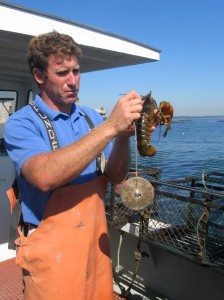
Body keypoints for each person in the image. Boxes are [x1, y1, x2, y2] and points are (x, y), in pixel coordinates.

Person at [4, 31, 144, 300]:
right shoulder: (22, 124)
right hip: (50, 253)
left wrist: (123, 138)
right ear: (39, 75)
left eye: (77, 71)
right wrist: (111, 127)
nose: (73, 81)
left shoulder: (92, 118)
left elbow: (116, 174)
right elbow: (44, 175)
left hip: (95, 245)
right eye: (62, 72)